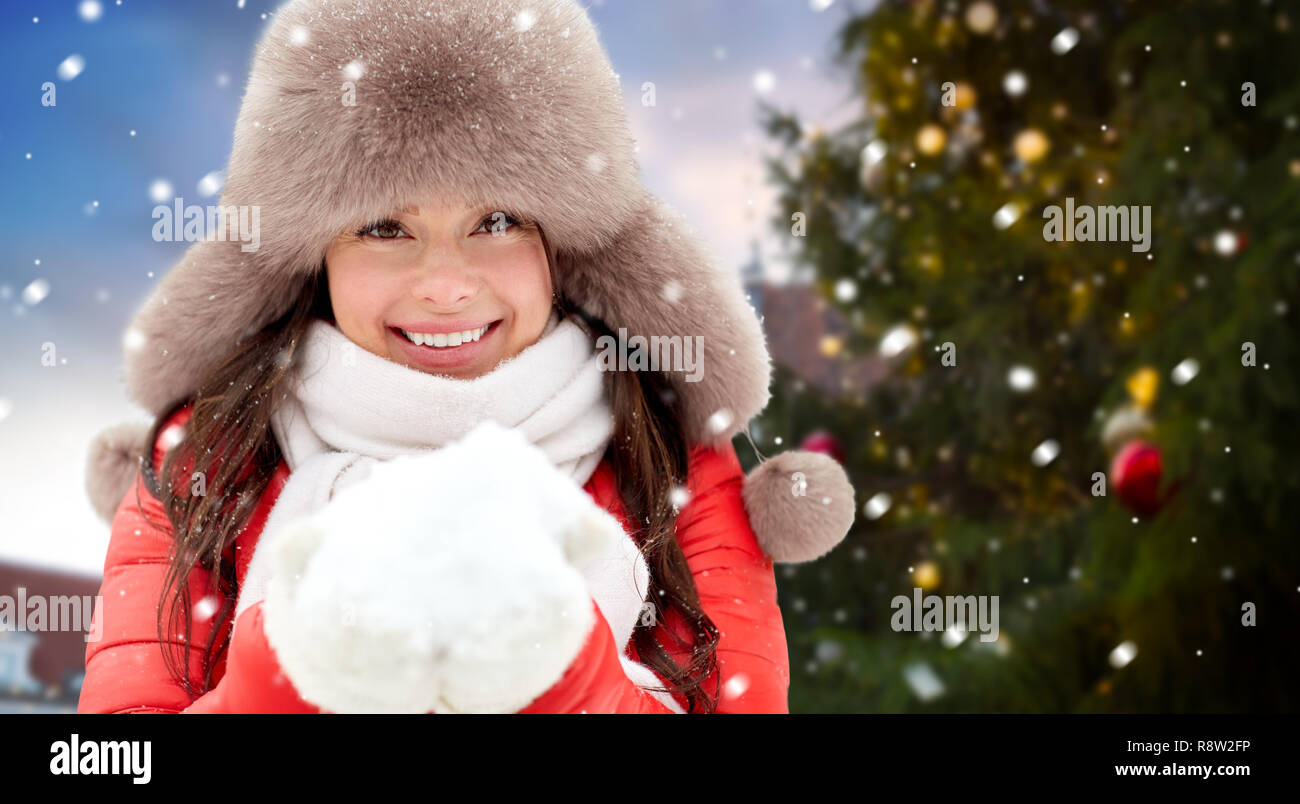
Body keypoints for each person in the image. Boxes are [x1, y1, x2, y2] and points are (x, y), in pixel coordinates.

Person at [78, 0, 854, 714]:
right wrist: (293, 668)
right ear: (314, 259)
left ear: (564, 249)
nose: (446, 285)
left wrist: (561, 670)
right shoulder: (204, 462)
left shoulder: (673, 464)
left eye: (498, 221)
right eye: (384, 228)